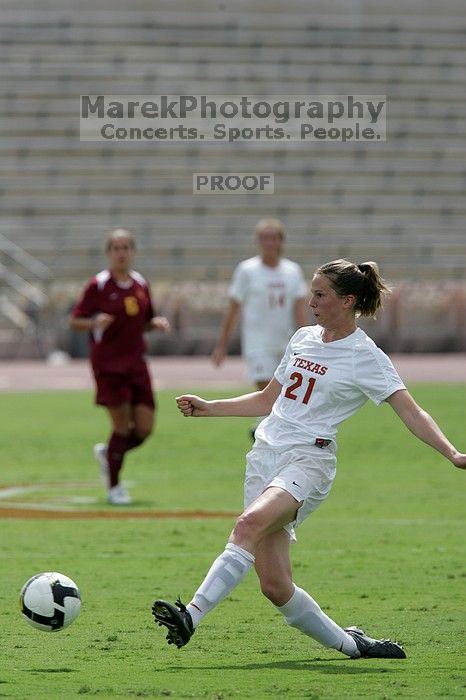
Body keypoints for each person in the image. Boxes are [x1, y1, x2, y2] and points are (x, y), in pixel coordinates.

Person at [152, 259, 465, 659]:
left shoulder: (364, 355)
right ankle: (354, 645)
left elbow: (411, 411)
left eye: (320, 295)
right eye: (312, 292)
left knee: (247, 524)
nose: (311, 301)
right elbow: (269, 399)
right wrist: (209, 407)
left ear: (348, 300)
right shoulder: (302, 337)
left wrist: (452, 453)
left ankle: (191, 615)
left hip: (308, 461)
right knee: (275, 586)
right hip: (264, 457)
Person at [69, 228, 170, 505]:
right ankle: (114, 487)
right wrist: (93, 323)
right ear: (108, 253)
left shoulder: (140, 283)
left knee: (145, 428)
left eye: (126, 247)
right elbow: (75, 320)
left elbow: (145, 321)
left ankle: (109, 453)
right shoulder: (98, 285)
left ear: (133, 252)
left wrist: (156, 323)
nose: (121, 252)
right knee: (122, 426)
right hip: (109, 365)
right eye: (116, 247)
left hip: (137, 364)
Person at [211, 218, 308, 436]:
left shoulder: (292, 271)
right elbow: (233, 309)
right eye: (265, 237)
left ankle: (263, 429)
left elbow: (299, 310)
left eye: (274, 237)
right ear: (258, 241)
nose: (269, 242)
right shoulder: (247, 270)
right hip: (258, 345)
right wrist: (221, 345)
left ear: (281, 241)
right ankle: (266, 430)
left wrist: (308, 342)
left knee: (285, 395)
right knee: (269, 392)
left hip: (286, 343)